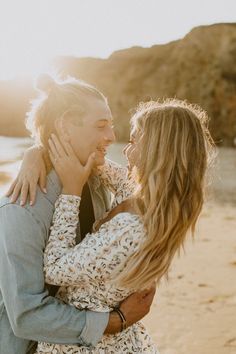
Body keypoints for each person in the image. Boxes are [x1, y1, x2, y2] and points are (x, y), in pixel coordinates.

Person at [10, 95, 215, 352]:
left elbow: (53, 268)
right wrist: (35, 153)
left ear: (156, 152)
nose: (125, 150)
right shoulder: (139, 194)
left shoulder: (132, 229)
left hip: (87, 346)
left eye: (133, 141)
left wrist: (71, 192)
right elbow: (95, 161)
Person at [0, 75, 155, 354]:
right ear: (65, 125)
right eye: (101, 125)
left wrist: (36, 151)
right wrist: (115, 321)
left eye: (111, 124)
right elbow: (26, 316)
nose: (112, 136)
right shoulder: (22, 207)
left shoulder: (96, 181)